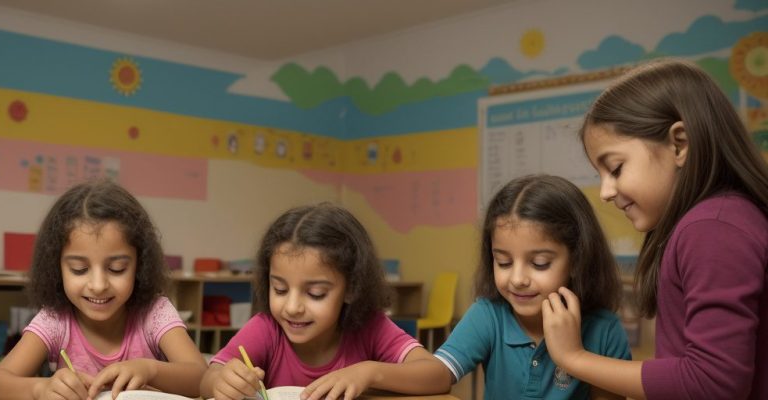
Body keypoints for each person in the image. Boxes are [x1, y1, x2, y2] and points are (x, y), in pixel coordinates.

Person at [542, 59, 768, 399]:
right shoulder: (717, 221)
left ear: (679, 144)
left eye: (615, 169)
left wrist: (573, 358)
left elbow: (712, 384)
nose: (605, 192)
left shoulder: (712, 228)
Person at [0, 180, 206, 400]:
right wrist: (40, 389)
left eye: (116, 269)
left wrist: (150, 370)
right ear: (56, 267)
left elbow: (202, 378)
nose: (98, 286)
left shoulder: (154, 313)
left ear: (140, 265)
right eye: (79, 269)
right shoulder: (55, 321)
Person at [199, 203, 443, 400]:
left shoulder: (370, 327)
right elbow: (208, 379)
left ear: (352, 288)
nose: (293, 307)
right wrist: (221, 381)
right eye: (280, 289)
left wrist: (370, 372)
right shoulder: (266, 328)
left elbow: (438, 374)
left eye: (315, 293)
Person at [431, 175, 628, 399]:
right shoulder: (488, 316)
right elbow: (436, 373)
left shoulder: (604, 330)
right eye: (503, 262)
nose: (517, 279)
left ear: (577, 260)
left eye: (539, 263)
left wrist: (576, 355)